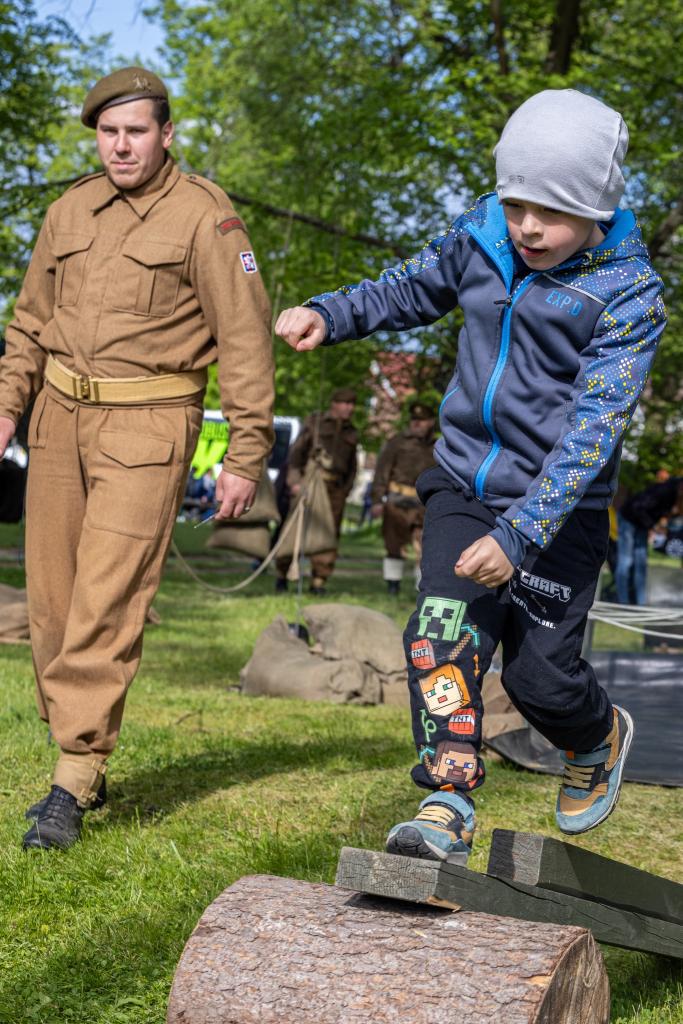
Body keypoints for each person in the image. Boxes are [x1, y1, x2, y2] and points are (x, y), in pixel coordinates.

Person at [276, 89, 667, 862]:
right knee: (439, 635)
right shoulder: (481, 236)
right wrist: (331, 313)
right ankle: (446, 799)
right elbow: (405, 287)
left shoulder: (626, 293)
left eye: (551, 212)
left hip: (556, 512)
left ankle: (595, 737)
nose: (527, 226)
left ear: (596, 207)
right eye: (515, 202)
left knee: (537, 683)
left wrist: (519, 536)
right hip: (462, 485)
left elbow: (592, 433)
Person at [0, 67, 274, 850]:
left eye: (136, 132)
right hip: (57, 420)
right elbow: (29, 321)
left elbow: (245, 339)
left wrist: (246, 453)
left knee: (106, 601)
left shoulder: (205, 217)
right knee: (53, 605)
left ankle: (73, 773)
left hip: (147, 428)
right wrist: (8, 403)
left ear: (166, 134)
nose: (121, 146)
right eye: (108, 133)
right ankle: (78, 745)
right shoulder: (69, 209)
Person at [275, 387, 358, 595]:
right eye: (345, 403)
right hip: (310, 484)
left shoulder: (352, 432)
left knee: (328, 535)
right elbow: (296, 454)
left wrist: (345, 490)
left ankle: (319, 579)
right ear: (334, 404)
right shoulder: (316, 423)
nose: (349, 408)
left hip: (335, 490)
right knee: (295, 529)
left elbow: (352, 466)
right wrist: (294, 482)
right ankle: (282, 573)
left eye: (352, 404)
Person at [371, 400, 437, 593]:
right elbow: (382, 472)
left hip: (423, 504)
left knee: (424, 546)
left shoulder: (438, 446)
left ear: (431, 422)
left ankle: (421, 588)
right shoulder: (397, 442)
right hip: (397, 502)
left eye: (422, 420)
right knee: (394, 544)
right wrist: (377, 500)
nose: (416, 423)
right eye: (414, 419)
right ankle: (393, 585)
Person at [615, 475, 683, 604]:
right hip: (628, 518)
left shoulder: (674, 496)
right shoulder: (663, 491)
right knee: (626, 560)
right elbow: (638, 508)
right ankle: (622, 601)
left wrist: (658, 526)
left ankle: (641, 602)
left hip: (642, 524)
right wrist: (653, 527)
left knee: (641, 562)